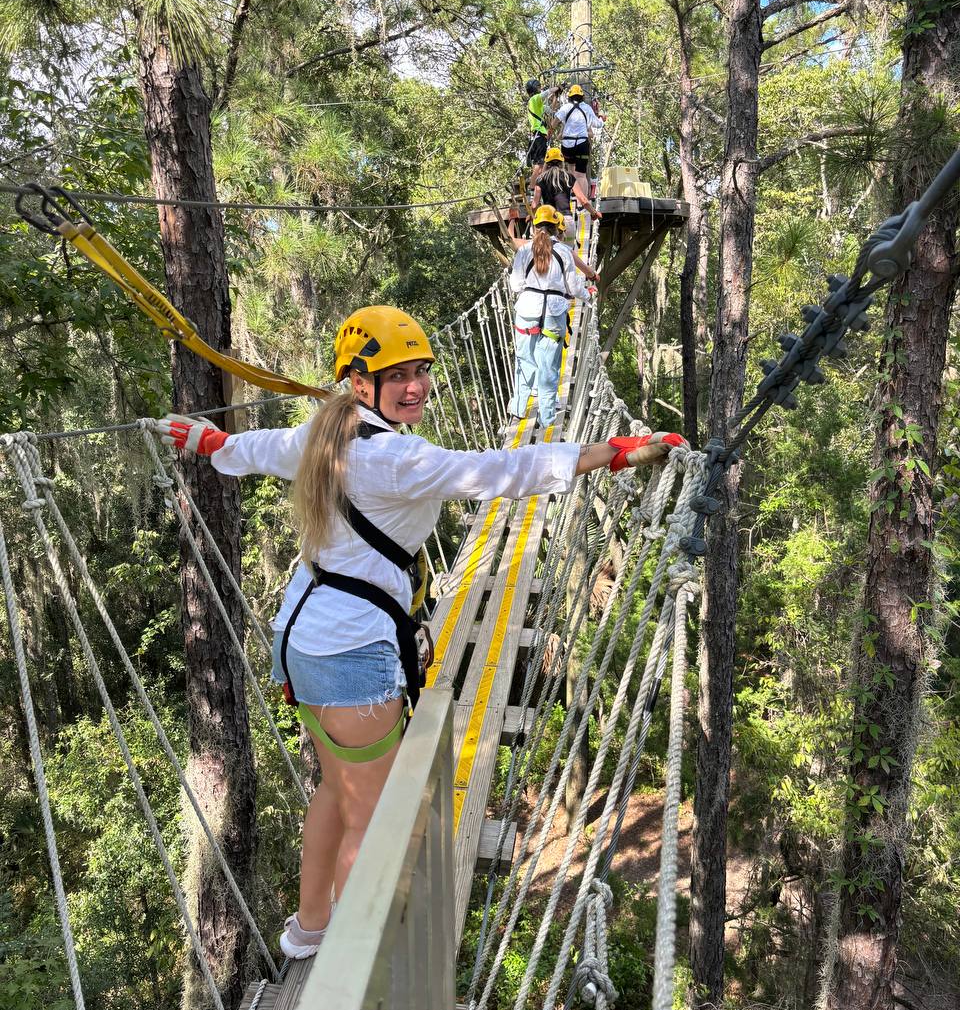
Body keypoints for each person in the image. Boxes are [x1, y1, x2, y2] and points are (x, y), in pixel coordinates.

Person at [152, 307, 682, 959]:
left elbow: (256, 449)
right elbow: (504, 472)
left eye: (421, 372)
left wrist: (210, 443)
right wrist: (611, 454)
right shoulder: (400, 458)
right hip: (352, 657)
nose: (416, 388)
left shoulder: (321, 434)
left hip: (300, 643)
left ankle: (308, 931)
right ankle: (350, 966)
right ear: (358, 383)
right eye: (395, 376)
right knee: (371, 821)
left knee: (335, 789)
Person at [508, 206, 598, 429]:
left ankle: (519, 409)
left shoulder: (524, 251)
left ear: (535, 226)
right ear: (559, 229)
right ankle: (546, 417)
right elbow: (574, 287)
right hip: (554, 315)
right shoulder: (565, 252)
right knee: (549, 368)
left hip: (526, 313)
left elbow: (515, 285)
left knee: (524, 362)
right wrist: (589, 296)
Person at [534, 146, 600, 241]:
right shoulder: (568, 177)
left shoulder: (540, 179)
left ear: (546, 163)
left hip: (548, 222)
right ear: (562, 163)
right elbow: (583, 200)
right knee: (568, 254)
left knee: (547, 254)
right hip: (566, 221)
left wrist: (533, 216)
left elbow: (534, 205)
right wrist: (594, 213)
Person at [554, 84, 603, 181]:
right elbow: (598, 124)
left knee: (571, 170)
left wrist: (549, 132)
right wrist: (601, 117)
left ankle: (572, 192)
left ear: (569, 97)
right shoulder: (587, 108)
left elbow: (555, 121)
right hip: (582, 144)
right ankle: (582, 196)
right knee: (581, 175)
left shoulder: (565, 107)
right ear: (582, 97)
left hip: (567, 145)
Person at [523, 77, 553, 186]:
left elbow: (551, 111)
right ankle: (532, 189)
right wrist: (556, 88)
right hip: (538, 136)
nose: (540, 89)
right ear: (535, 89)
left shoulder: (537, 105)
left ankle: (537, 188)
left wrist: (556, 96)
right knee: (539, 165)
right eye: (539, 87)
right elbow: (546, 93)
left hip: (538, 136)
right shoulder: (534, 99)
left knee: (541, 164)